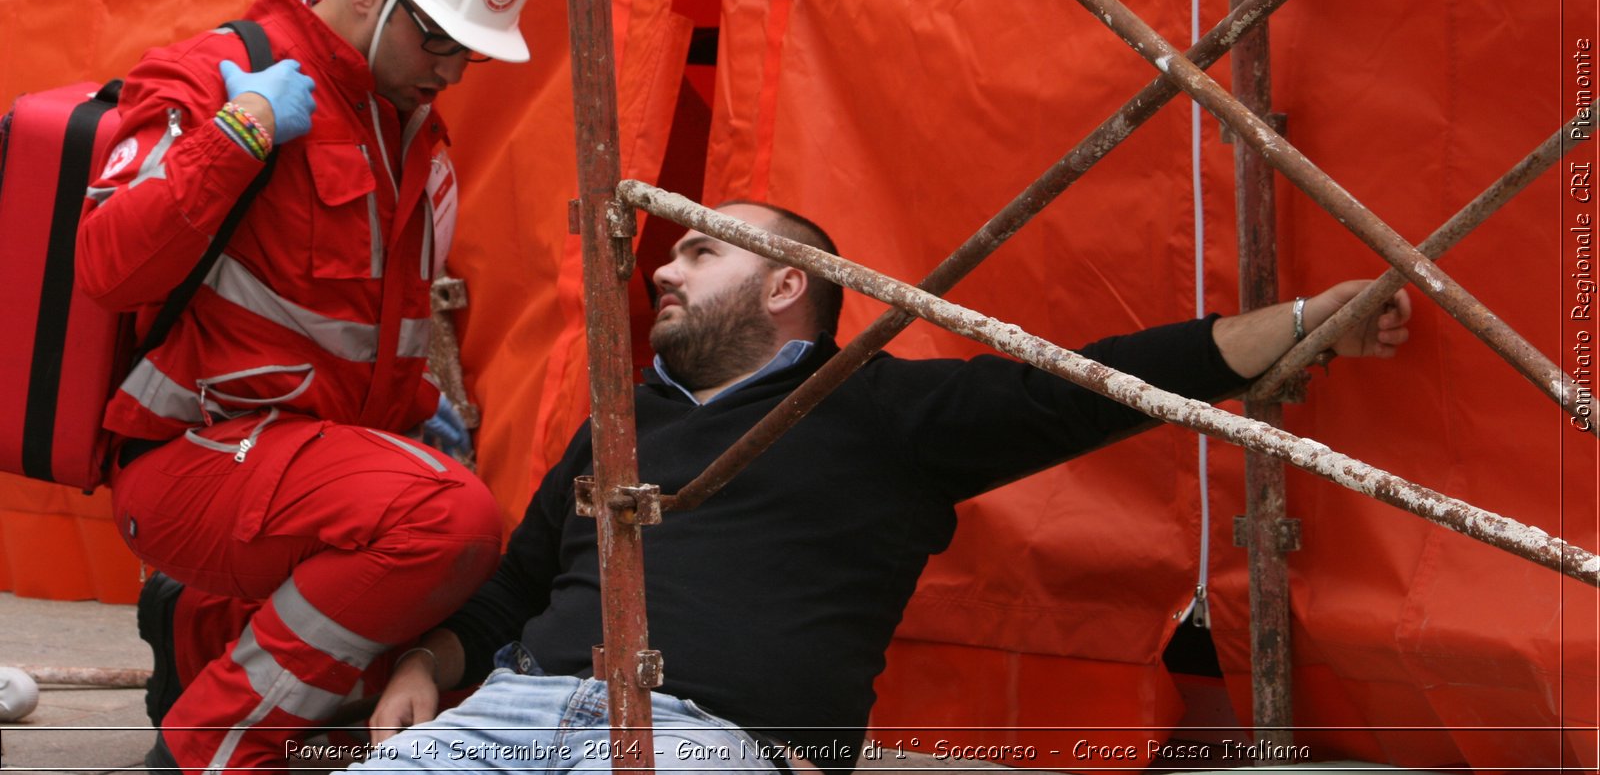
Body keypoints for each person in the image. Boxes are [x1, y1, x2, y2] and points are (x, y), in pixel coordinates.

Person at [349, 202, 1411, 774]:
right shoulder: (621, 423)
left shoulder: (887, 412)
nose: (663, 272)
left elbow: (1101, 386)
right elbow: (518, 586)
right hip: (515, 711)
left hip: (705, 739)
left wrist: (1315, 317)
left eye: (700, 250)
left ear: (784, 284)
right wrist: (422, 662)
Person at [75, 0, 541, 773]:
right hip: (191, 458)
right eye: (439, 40)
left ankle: (201, 631)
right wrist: (240, 131)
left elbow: (350, 336)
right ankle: (201, 752)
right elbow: (108, 264)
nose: (452, 72)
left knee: (448, 649)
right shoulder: (225, 76)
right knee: (446, 523)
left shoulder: (404, 120)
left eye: (470, 53)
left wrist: (413, 419)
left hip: (303, 465)